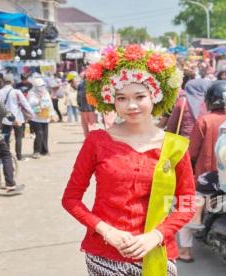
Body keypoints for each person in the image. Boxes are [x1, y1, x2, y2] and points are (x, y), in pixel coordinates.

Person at [62, 45, 195, 275]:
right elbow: (71, 199)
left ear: (156, 96)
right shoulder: (97, 141)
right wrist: (106, 231)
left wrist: (156, 235)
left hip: (157, 251)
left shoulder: (174, 147)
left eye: (139, 96)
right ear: (111, 101)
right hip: (105, 254)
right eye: (121, 98)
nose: (131, 106)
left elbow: (187, 203)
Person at [177, 80, 226, 263]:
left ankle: (185, 252)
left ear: (210, 100)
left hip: (209, 177)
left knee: (185, 206)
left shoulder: (205, 120)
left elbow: (192, 152)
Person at [0, 74, 34, 161]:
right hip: (17, 118)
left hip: (5, 119)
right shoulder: (17, 92)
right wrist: (32, 114)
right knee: (18, 137)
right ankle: (19, 156)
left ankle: (7, 157)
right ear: (12, 82)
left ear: (3, 81)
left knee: (6, 137)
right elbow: (25, 104)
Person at [27, 78, 55, 159]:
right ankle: (36, 151)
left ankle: (45, 150)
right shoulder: (31, 93)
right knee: (39, 134)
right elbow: (30, 103)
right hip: (36, 117)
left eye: (43, 85)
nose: (42, 87)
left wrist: (52, 114)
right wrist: (38, 99)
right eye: (40, 86)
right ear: (35, 86)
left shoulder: (46, 92)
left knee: (45, 134)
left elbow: (50, 103)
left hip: (45, 116)